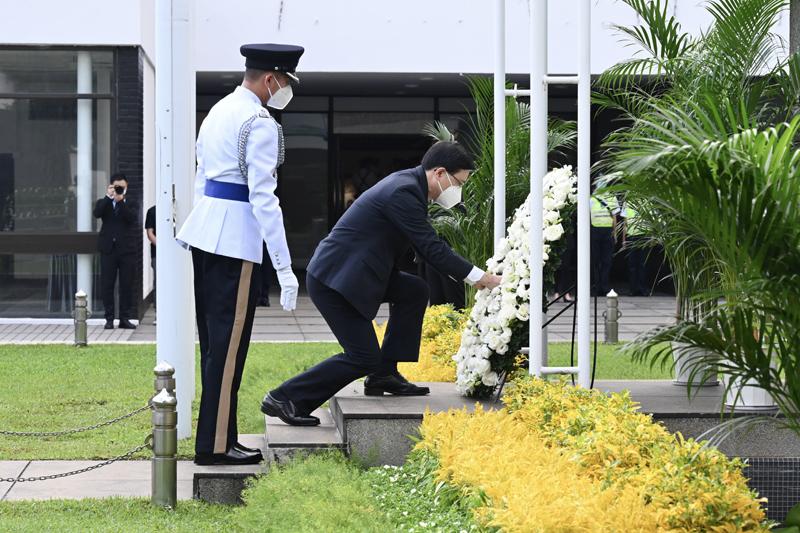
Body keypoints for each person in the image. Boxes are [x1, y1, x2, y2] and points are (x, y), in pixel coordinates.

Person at [261, 141, 502, 426]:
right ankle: (286, 397)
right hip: (336, 281)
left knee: (414, 290)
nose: (458, 191)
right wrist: (481, 278)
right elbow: (430, 247)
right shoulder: (404, 192)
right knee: (362, 357)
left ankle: (384, 374)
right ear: (439, 173)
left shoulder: (409, 186)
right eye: (458, 183)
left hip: (356, 275)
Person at [176, 43, 304, 466]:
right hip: (234, 239)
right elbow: (265, 199)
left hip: (207, 233)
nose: (286, 89)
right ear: (270, 79)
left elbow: (201, 176)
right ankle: (216, 446)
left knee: (215, 347)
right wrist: (285, 268)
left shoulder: (219, 110)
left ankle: (217, 439)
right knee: (229, 348)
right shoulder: (259, 122)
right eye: (285, 81)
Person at [93, 172, 138, 330]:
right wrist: (108, 197)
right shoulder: (104, 202)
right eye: (116, 187)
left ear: (127, 187)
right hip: (108, 250)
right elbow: (97, 213)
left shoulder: (131, 203)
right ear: (111, 186)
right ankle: (109, 318)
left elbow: (132, 219)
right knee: (107, 285)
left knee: (126, 285)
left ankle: (124, 318)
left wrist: (121, 201)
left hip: (127, 250)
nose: (119, 190)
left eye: (122, 187)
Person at [590, 187, 620, 296]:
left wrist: (615, 233)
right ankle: (598, 286)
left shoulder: (609, 197)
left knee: (604, 261)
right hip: (597, 231)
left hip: (604, 231)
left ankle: (602, 286)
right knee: (599, 261)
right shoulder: (592, 198)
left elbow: (614, 217)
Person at [621, 201, 650, 296]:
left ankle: (642, 289)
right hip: (631, 236)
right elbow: (625, 224)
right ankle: (633, 289)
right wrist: (624, 240)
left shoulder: (646, 201)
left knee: (643, 264)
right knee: (632, 265)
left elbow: (651, 221)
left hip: (644, 236)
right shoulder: (627, 203)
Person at [144, 205, 157, 324]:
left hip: (174, 254)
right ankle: (158, 314)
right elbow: (150, 233)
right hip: (157, 254)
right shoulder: (152, 211)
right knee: (158, 283)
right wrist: (162, 246)